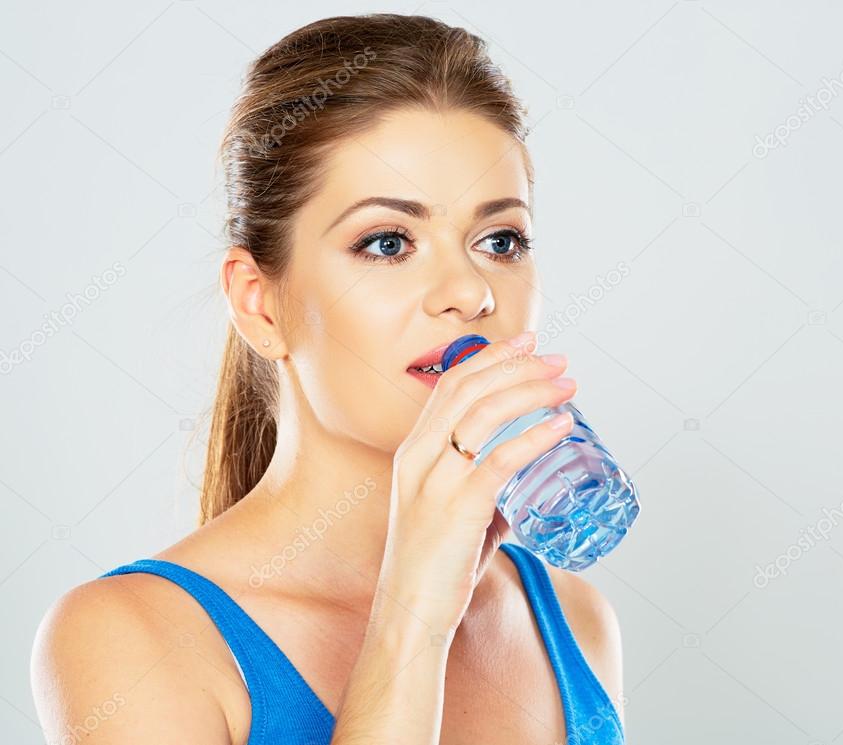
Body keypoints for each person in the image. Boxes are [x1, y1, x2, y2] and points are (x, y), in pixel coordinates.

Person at [31, 13, 626, 745]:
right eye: (387, 242)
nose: (469, 291)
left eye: (499, 239)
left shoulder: (571, 618)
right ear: (261, 303)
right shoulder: (131, 641)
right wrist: (413, 613)